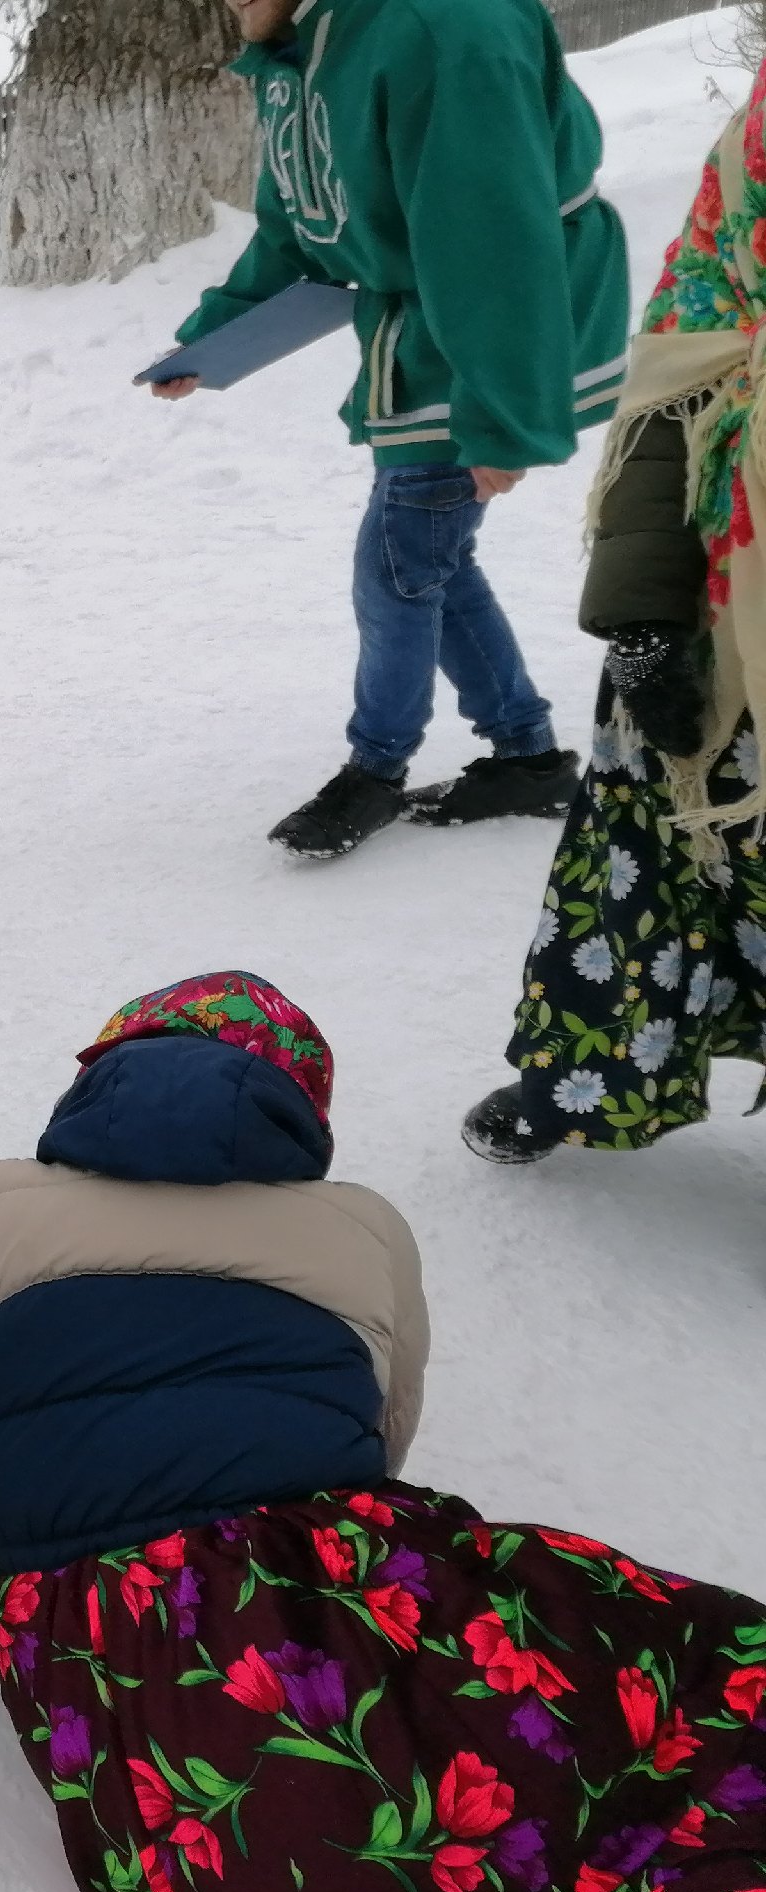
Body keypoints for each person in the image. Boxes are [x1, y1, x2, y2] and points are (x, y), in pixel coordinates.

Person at [0, 971, 766, 1892]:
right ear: (300, 1114)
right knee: (662, 1741)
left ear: (98, 1079)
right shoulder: (364, 1228)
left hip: (127, 1647)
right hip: (355, 1576)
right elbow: (377, 1444)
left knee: (302, 1850)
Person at [155, 0, 628, 859]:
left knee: (397, 562)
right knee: (430, 555)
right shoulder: (310, 35)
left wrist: (501, 419)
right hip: (428, 316)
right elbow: (299, 219)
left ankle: (375, 770)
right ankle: (526, 757)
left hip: (496, 317)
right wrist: (215, 337)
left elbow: (492, 238)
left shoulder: (443, 29)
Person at [465, 57, 766, 1163]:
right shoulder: (749, 168)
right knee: (645, 856)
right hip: (719, 616)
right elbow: (675, 385)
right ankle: (583, 1078)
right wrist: (643, 622)